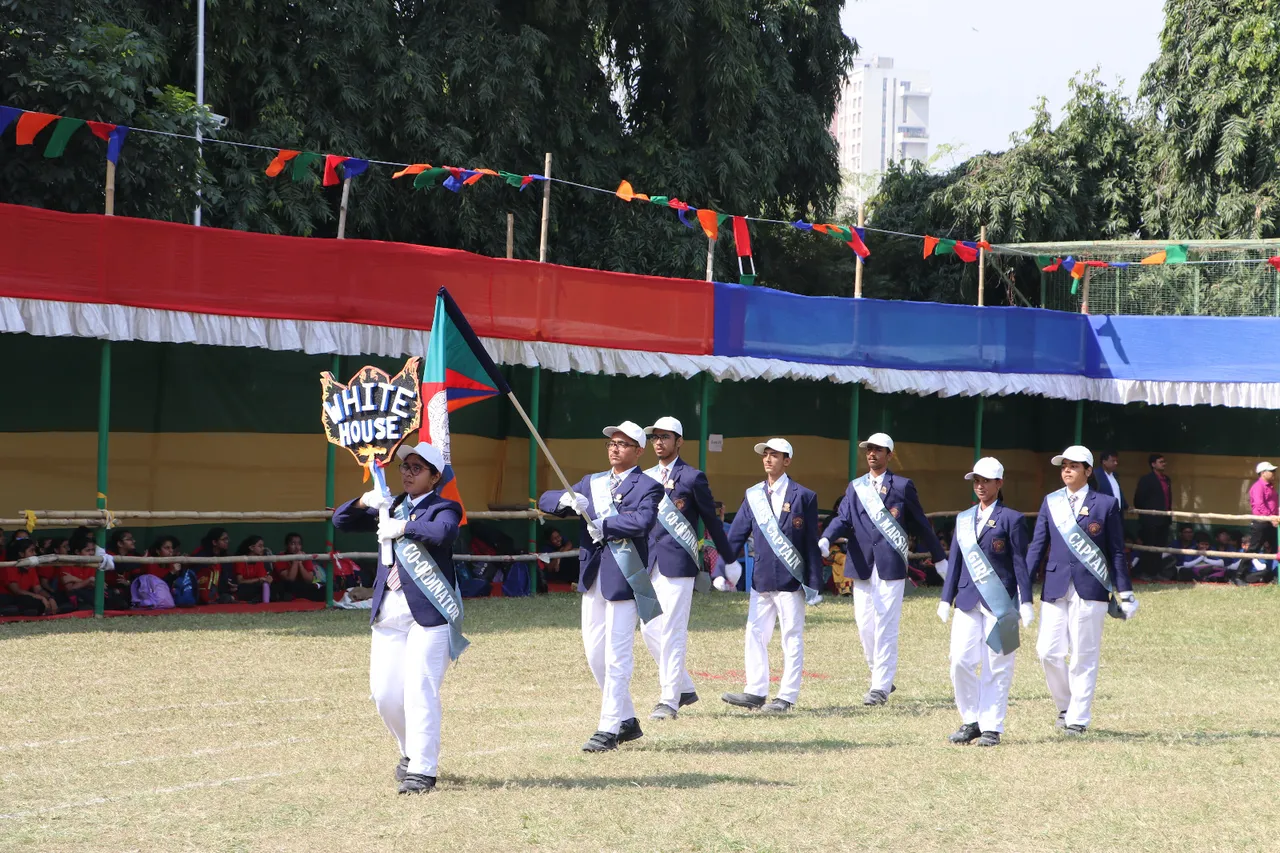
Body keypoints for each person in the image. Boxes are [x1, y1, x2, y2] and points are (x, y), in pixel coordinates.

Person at [333, 440, 464, 794]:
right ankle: (409, 750)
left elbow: (445, 533)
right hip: (389, 609)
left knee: (420, 689)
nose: (407, 473)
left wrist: (404, 528)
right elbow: (340, 520)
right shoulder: (389, 505)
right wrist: (365, 501)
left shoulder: (444, 507)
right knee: (385, 694)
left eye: (416, 468)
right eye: (405, 467)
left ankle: (423, 768)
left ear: (434, 477)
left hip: (428, 614)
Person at [538, 421, 663, 752]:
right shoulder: (591, 483)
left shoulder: (648, 486)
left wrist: (604, 524)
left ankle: (608, 727)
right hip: (592, 575)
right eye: (611, 442)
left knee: (617, 654)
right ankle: (626, 718)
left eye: (623, 444)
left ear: (638, 450)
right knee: (595, 653)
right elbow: (546, 499)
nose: (614, 447)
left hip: (625, 577)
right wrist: (567, 499)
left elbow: (641, 521)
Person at [819, 432, 947, 706]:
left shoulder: (902, 486)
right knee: (865, 625)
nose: (872, 453)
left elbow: (921, 524)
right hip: (861, 562)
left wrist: (939, 557)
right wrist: (826, 537)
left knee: (886, 624)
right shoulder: (855, 487)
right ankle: (880, 674)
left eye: (878, 450)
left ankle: (879, 686)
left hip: (890, 564)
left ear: (889, 454)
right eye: (869, 449)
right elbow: (843, 518)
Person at [1027, 445, 1137, 736]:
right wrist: (1021, 585)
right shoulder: (1051, 502)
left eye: (1074, 466)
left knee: (1083, 656)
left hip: (1092, 587)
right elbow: (1037, 546)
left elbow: (1115, 552)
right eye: (1064, 465)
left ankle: (1077, 718)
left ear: (1088, 471)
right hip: (1055, 585)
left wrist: (1124, 591)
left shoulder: (1106, 504)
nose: (1067, 470)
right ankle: (1065, 705)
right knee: (1047, 652)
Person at [640, 416, 735, 721]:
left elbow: (711, 522)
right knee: (648, 630)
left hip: (679, 564)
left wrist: (727, 557)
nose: (658, 442)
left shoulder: (693, 478)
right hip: (649, 562)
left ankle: (668, 700)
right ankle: (684, 687)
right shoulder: (644, 477)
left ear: (678, 441)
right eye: (655, 437)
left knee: (672, 630)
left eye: (665, 437)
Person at [720, 438, 823, 715]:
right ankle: (755, 691)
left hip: (791, 581)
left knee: (791, 636)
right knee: (755, 633)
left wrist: (814, 583)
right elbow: (736, 534)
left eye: (774, 455)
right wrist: (722, 566)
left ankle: (786, 696)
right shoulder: (753, 494)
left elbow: (810, 543)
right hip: (761, 578)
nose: (768, 459)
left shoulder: (804, 496)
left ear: (787, 460)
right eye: (765, 455)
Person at [938, 457, 1033, 747]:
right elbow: (955, 562)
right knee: (960, 661)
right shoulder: (963, 518)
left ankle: (992, 725)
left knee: (998, 663)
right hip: (967, 597)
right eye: (976, 481)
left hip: (1000, 600)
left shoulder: (1011, 518)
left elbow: (1020, 564)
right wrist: (945, 598)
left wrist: (1026, 601)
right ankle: (971, 720)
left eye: (985, 481)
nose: (980, 486)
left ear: (999, 484)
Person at [1133, 453, 1173, 580]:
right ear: (1153, 464)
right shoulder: (1146, 479)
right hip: (1150, 520)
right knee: (1149, 547)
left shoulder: (1167, 479)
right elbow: (1138, 499)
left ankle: (1156, 573)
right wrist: (1146, 515)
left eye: (1164, 461)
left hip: (1164, 519)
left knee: (1159, 547)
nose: (1164, 463)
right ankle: (1146, 573)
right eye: (1160, 461)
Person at [3, 539, 59, 615]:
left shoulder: (31, 567)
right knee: (27, 601)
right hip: (8, 597)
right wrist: (41, 598)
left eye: (34, 551)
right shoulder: (10, 567)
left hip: (25, 596)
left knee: (55, 597)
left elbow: (38, 589)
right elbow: (16, 591)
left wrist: (50, 598)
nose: (35, 553)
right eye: (31, 551)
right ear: (21, 554)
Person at [274, 533, 325, 601]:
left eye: (299, 544)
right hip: (285, 587)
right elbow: (290, 579)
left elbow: (309, 580)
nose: (297, 547)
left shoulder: (305, 557)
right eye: (293, 544)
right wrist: (296, 560)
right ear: (287, 546)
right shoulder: (280, 557)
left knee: (323, 589)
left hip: (300, 586)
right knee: (288, 587)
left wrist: (300, 563)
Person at [193, 527, 233, 604]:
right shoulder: (202, 555)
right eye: (224, 539)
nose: (227, 541)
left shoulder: (225, 557)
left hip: (220, 592)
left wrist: (229, 584)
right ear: (214, 542)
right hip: (203, 593)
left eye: (227, 539)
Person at [233, 536, 273, 602]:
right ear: (251, 548)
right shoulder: (240, 560)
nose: (263, 549)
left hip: (256, 588)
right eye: (260, 546)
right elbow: (240, 581)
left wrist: (267, 580)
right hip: (243, 589)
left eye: (263, 546)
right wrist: (259, 579)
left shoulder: (260, 561)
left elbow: (263, 579)